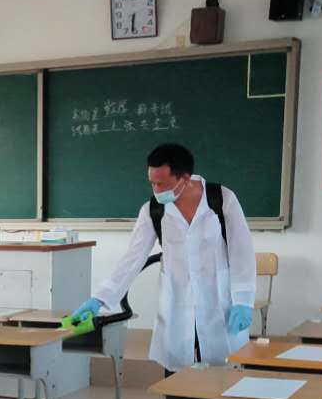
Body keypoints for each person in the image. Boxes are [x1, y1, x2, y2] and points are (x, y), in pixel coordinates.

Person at [71, 143, 256, 372]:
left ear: (185, 178)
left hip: (219, 302)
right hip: (177, 305)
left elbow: (242, 252)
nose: (156, 190)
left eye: (162, 184)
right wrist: (99, 299)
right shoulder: (153, 210)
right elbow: (133, 258)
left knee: (224, 377)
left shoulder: (221, 199)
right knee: (176, 376)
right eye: (152, 183)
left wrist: (243, 300)